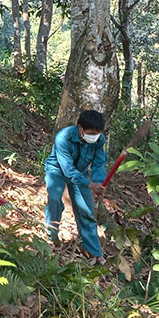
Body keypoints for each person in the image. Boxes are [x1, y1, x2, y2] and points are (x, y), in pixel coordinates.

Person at [44, 109, 108, 263]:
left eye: (97, 133)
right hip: (58, 169)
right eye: (91, 132)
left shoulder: (100, 140)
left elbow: (99, 164)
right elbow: (67, 169)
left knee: (86, 210)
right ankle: (52, 237)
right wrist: (90, 184)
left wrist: (98, 183)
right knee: (54, 198)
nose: (94, 136)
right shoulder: (63, 137)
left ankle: (94, 251)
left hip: (81, 172)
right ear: (80, 128)